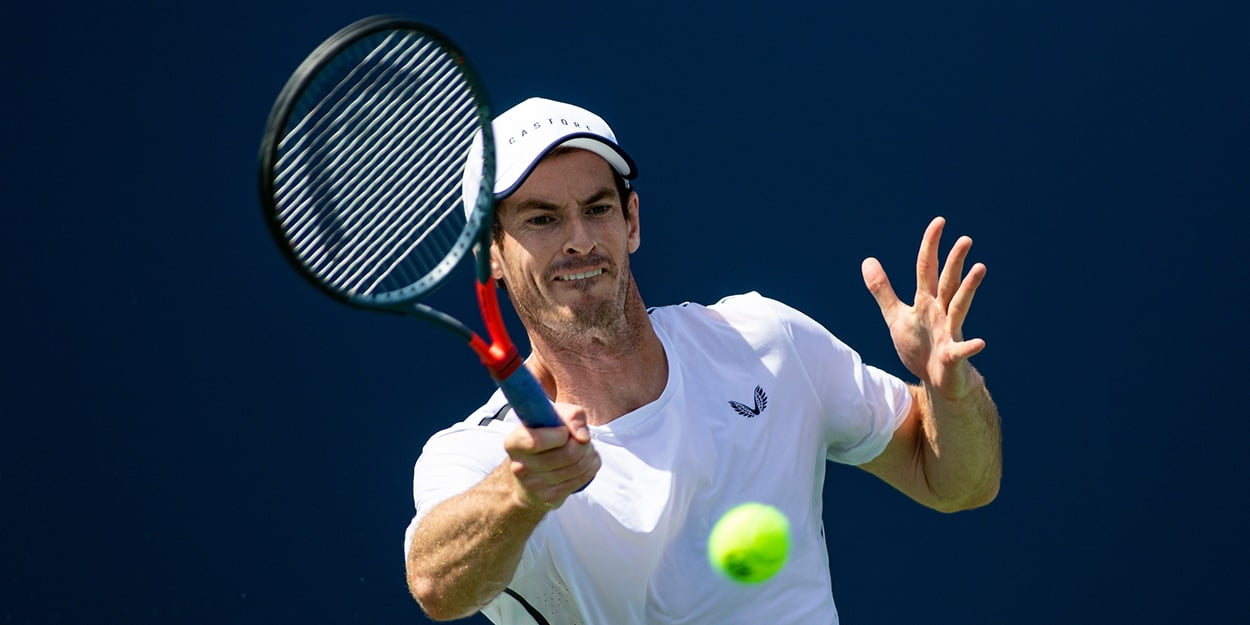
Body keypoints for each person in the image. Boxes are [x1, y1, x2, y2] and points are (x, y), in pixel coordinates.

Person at [403, 97, 1002, 624]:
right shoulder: (478, 454)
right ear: (491, 253)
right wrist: (521, 493)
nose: (580, 239)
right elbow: (436, 586)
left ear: (631, 221)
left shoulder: (766, 340)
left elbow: (957, 484)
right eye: (542, 219)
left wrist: (949, 393)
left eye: (599, 209)